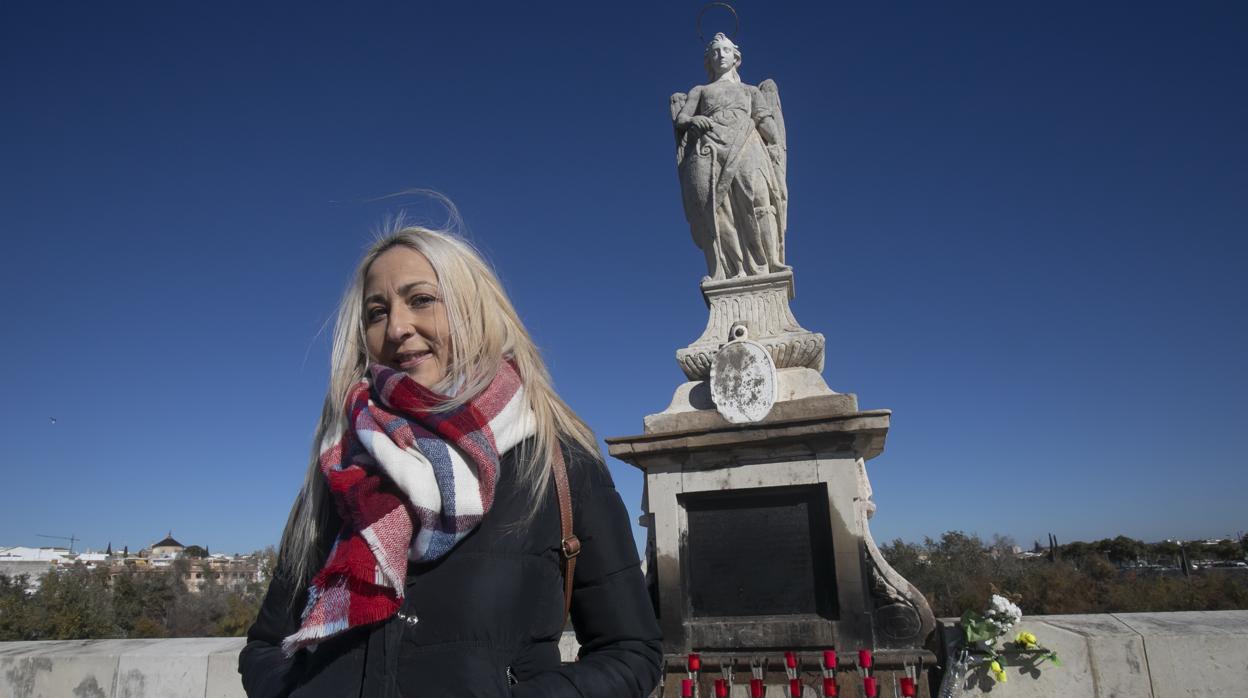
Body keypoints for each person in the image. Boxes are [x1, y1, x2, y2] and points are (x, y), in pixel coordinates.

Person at [239, 225, 662, 697]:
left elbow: (631, 651)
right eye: (377, 311)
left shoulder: (557, 463)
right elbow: (264, 647)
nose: (397, 327)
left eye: (420, 299)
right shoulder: (339, 469)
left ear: (472, 309)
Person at [673, 32, 789, 280]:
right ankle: (732, 269)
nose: (720, 55)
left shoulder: (749, 91)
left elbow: (765, 123)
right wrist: (694, 119)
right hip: (711, 146)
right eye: (715, 52)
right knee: (719, 209)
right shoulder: (701, 90)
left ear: (736, 57)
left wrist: (775, 141)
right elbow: (682, 118)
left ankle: (770, 262)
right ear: (709, 60)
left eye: (725, 50)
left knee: (759, 198)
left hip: (747, 142)